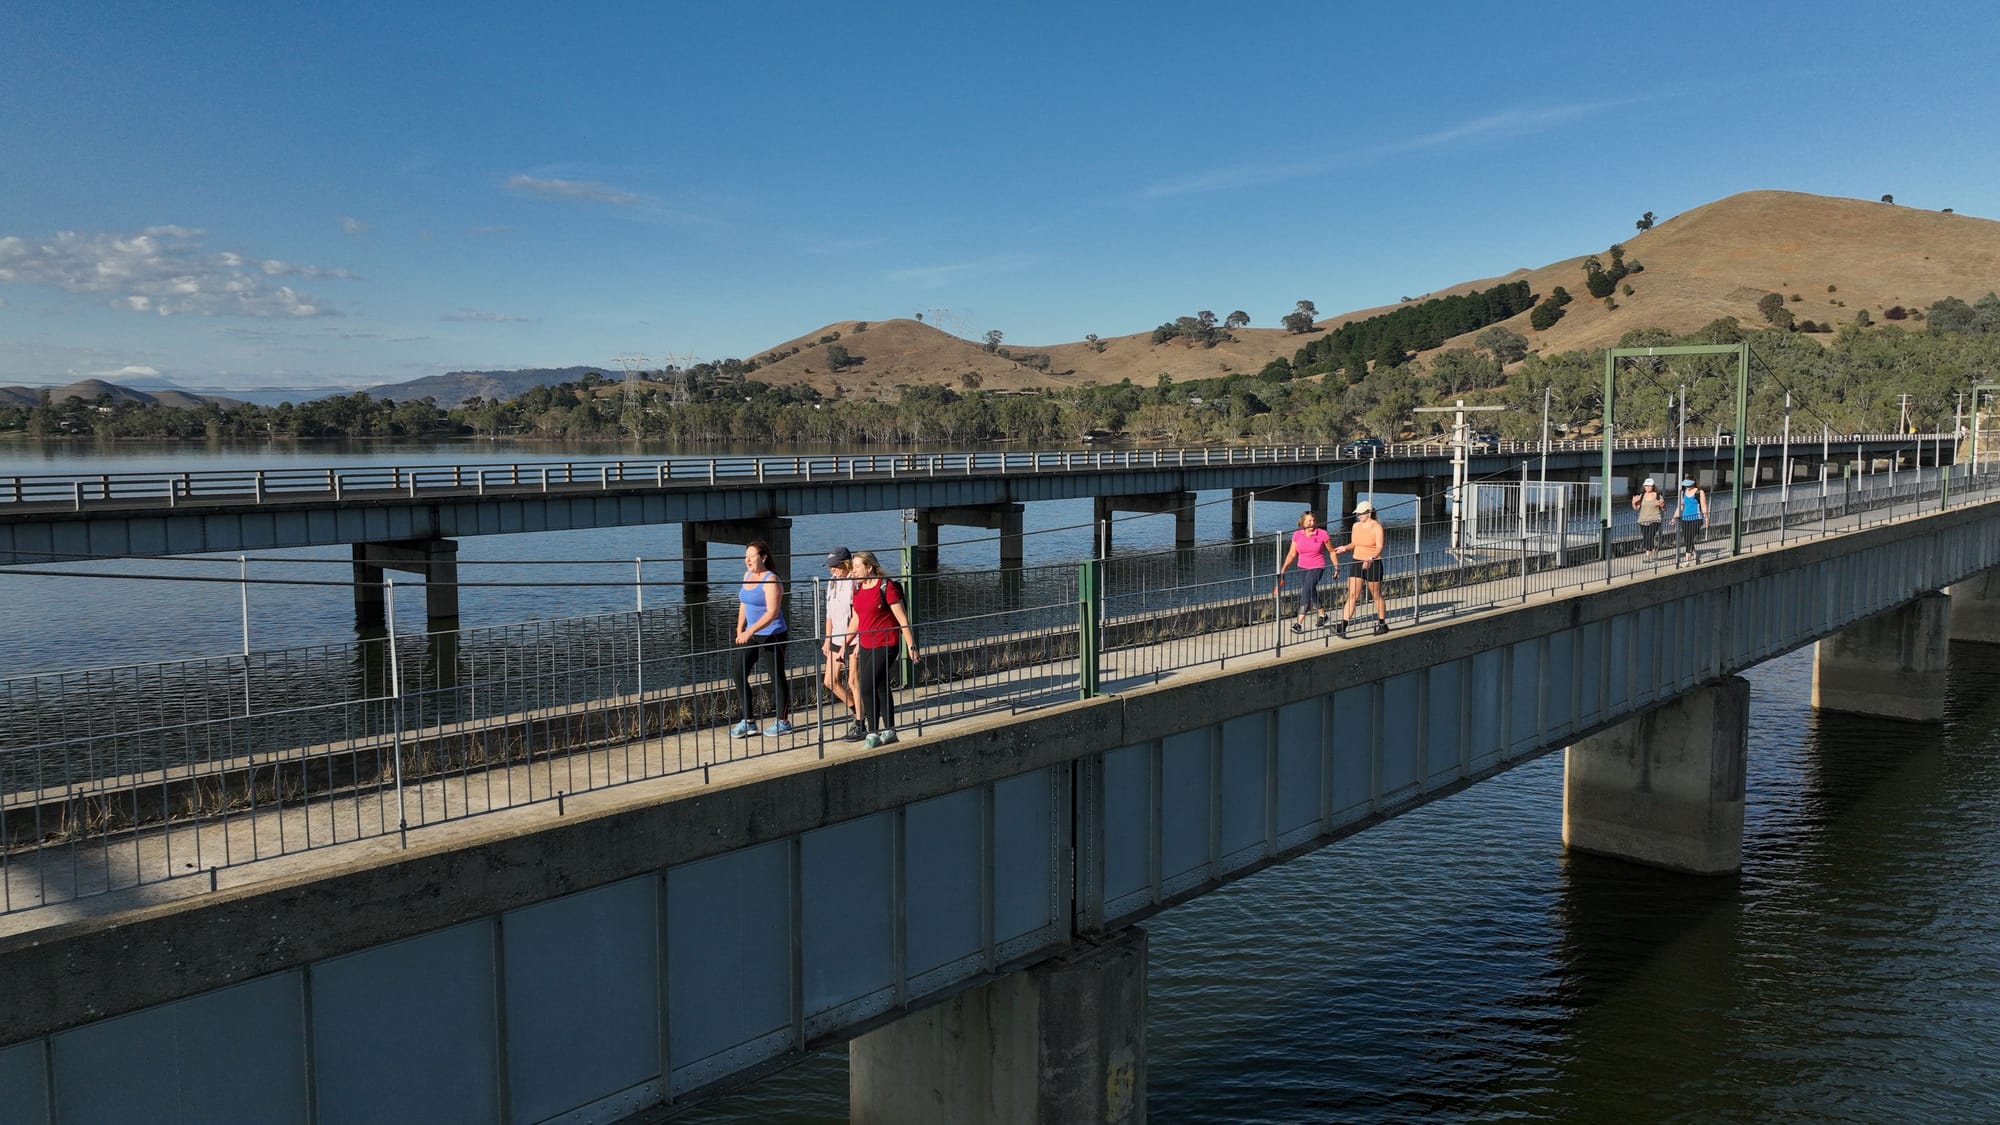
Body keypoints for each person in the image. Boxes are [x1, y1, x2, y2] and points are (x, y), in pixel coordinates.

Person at [844, 550, 919, 748]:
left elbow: (903, 619)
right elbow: (858, 619)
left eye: (858, 567)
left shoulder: (887, 587)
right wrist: (843, 642)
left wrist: (911, 646)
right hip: (866, 643)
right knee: (880, 686)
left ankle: (873, 732)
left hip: (887, 643)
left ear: (869, 567)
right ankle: (890, 730)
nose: (854, 571)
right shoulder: (858, 589)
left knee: (866, 685)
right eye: (853, 567)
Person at [728, 539, 791, 737]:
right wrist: (740, 628)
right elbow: (744, 603)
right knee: (738, 672)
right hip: (752, 634)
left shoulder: (771, 579)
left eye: (751, 556)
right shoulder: (747, 576)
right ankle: (748, 721)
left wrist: (750, 630)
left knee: (776, 676)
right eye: (745, 557)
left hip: (772, 634)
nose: (747, 560)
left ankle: (783, 721)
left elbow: (772, 612)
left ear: (763, 557)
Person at [821, 546, 863, 740]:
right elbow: (829, 614)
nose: (832, 570)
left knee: (853, 681)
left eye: (836, 566)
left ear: (846, 564)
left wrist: (855, 642)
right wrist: (827, 639)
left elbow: (858, 615)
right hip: (836, 637)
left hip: (853, 638)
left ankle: (860, 722)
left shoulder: (854, 584)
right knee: (830, 681)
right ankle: (858, 710)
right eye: (830, 566)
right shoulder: (832, 583)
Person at [1333, 500, 1388, 637]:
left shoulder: (1377, 527)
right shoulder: (1356, 526)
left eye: (1360, 514)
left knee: (1376, 595)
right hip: (1357, 561)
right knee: (1352, 595)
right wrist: (1345, 548)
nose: (1358, 516)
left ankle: (1382, 624)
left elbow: (1380, 547)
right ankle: (1343, 626)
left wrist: (1370, 558)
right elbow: (1354, 543)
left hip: (1373, 563)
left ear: (1369, 513)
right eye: (1357, 514)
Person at [1278, 509, 1335, 633]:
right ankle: (1323, 616)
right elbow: (1292, 554)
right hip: (1302, 567)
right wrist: (1283, 569)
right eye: (1309, 520)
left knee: (1305, 592)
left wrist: (1337, 567)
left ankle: (1298, 623)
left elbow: (1331, 551)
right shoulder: (1297, 535)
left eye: (1314, 520)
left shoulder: (1322, 534)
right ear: (1303, 523)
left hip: (1317, 567)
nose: (1312, 523)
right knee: (1311, 590)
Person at [1672, 478, 1709, 563]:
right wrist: (1674, 517)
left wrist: (1706, 519)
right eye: (1686, 485)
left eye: (1689, 485)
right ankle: (1695, 556)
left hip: (1696, 518)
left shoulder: (1699, 492)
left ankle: (1687, 559)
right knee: (1687, 538)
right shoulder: (1683, 492)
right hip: (1685, 519)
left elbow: (1703, 506)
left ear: (1693, 483)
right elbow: (1681, 506)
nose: (1687, 486)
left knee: (1690, 537)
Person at [1632, 479, 1665, 560]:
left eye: (1650, 486)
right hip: (1642, 520)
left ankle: (1647, 555)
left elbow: (1664, 508)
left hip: (1655, 519)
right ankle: (1654, 549)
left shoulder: (1658, 496)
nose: (1648, 487)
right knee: (1646, 537)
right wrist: (1633, 502)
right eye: (1646, 486)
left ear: (1653, 486)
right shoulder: (1642, 495)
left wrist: (1661, 505)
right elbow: (1636, 508)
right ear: (1644, 486)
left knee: (1650, 536)